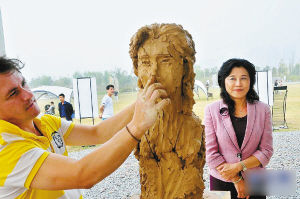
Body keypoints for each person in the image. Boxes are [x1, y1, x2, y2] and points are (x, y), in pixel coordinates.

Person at [0, 56, 170, 198]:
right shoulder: (6, 150)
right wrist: (137, 127)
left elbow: (98, 133)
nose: (29, 95)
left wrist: (145, 99)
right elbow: (82, 174)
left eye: (24, 83)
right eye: (14, 93)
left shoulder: (45, 123)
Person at [204, 58, 273, 199]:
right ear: (223, 81)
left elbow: (266, 151)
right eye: (232, 78)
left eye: (243, 78)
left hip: (255, 181)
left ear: (251, 81)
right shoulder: (211, 110)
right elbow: (211, 153)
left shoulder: (263, 110)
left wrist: (238, 166)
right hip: (221, 179)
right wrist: (236, 179)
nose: (238, 84)